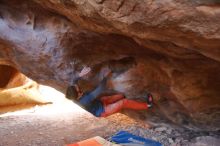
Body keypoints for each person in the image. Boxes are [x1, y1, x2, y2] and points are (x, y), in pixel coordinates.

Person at [66, 68, 154, 117]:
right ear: (78, 95)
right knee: (124, 102)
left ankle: (134, 101)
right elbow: (101, 88)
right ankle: (148, 105)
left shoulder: (73, 94)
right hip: (102, 111)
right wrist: (105, 77)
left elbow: (74, 82)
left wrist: (80, 75)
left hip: (100, 102)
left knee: (121, 95)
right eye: (79, 90)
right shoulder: (85, 100)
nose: (79, 88)